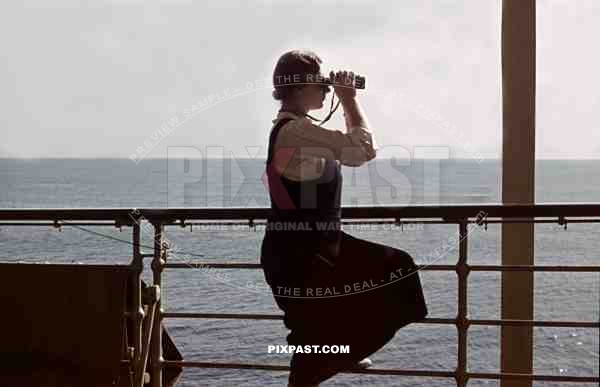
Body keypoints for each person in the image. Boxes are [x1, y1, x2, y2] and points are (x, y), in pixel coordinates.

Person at [260, 49, 429, 387]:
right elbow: (362, 151)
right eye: (321, 83)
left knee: (317, 337)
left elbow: (352, 153)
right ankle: (338, 355)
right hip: (303, 258)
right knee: (397, 273)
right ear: (299, 86)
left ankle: (339, 354)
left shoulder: (298, 130)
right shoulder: (295, 133)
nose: (326, 90)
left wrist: (344, 98)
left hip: (307, 251)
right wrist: (349, 100)